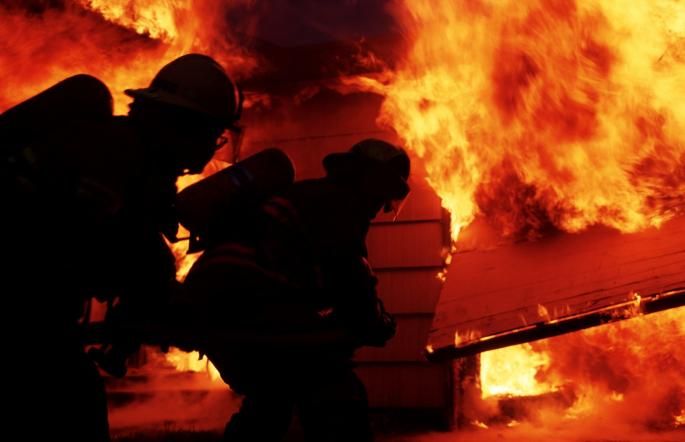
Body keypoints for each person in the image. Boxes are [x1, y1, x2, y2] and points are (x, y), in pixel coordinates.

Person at [1, 53, 241, 441]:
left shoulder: (120, 152)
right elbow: (132, 258)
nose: (212, 146)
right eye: (211, 133)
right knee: (74, 403)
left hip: (37, 323)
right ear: (185, 126)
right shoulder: (118, 157)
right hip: (25, 329)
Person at [177, 138, 411, 441]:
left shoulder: (312, 195)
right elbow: (351, 283)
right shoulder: (339, 207)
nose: (381, 207)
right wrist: (377, 323)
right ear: (372, 181)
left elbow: (316, 282)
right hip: (244, 300)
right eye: (384, 194)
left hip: (215, 301)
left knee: (274, 393)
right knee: (332, 383)